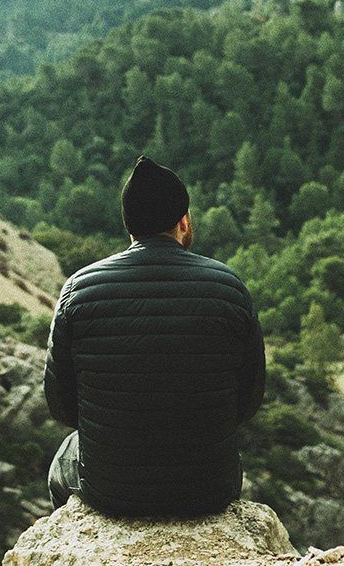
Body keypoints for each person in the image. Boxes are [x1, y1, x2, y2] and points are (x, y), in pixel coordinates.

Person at [43, 155, 267, 517]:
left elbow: (62, 407)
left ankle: (72, 535)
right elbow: (249, 399)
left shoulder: (78, 289)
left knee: (65, 457)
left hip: (111, 490)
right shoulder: (229, 287)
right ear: (184, 222)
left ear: (129, 227)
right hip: (209, 487)